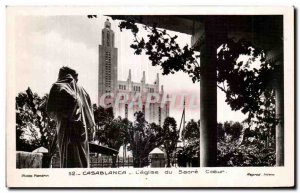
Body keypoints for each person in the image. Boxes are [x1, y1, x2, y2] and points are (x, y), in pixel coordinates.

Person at [47, 67, 95, 168]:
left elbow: (51, 111)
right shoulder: (82, 90)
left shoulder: (58, 86)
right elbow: (90, 114)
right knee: (82, 160)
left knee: (68, 161)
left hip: (67, 131)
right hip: (81, 132)